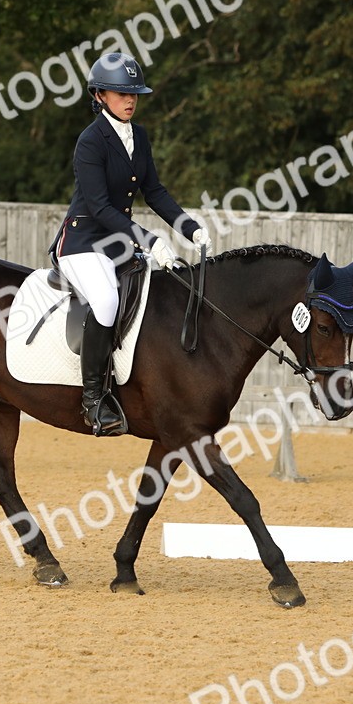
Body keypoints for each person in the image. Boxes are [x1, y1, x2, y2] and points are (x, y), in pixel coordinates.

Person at [49, 52, 213, 436]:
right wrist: (151, 240)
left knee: (156, 294)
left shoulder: (138, 136)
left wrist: (189, 228)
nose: (130, 100)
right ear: (100, 95)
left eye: (134, 93)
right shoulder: (90, 142)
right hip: (83, 241)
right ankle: (93, 399)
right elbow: (101, 207)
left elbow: (154, 191)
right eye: (121, 94)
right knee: (106, 301)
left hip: (117, 242)